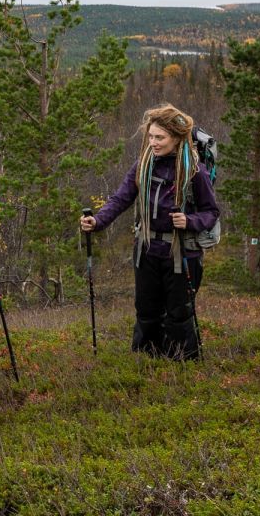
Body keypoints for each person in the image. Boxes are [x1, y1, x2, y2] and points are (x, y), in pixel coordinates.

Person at [80, 104, 218, 359]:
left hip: (181, 254)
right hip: (146, 250)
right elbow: (120, 199)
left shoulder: (194, 171)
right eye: (151, 136)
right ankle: (145, 364)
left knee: (179, 313)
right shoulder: (143, 165)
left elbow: (211, 212)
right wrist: (97, 222)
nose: (153, 142)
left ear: (176, 138)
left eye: (160, 138)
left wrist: (189, 221)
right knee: (146, 311)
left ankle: (182, 369)